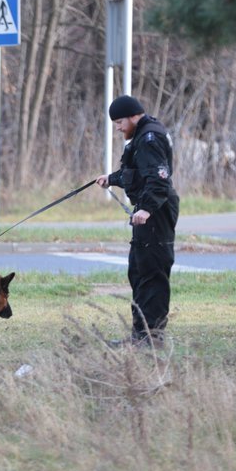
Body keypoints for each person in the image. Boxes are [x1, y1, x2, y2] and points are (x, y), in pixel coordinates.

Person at [96, 95, 180, 348]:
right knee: (139, 271)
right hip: (148, 212)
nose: (119, 127)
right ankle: (139, 335)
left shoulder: (149, 138)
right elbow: (138, 174)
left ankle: (152, 338)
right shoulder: (142, 136)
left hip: (156, 213)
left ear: (134, 116)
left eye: (120, 121)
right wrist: (111, 178)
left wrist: (145, 209)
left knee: (153, 273)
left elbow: (159, 178)